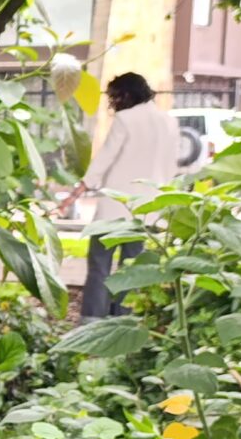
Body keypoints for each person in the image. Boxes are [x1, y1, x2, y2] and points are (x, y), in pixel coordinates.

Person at [74, 70, 184, 319]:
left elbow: (105, 157)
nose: (113, 103)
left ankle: (92, 320)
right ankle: (122, 320)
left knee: (100, 266)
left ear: (127, 94)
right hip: (147, 210)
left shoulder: (125, 119)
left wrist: (83, 185)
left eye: (115, 97)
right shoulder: (169, 122)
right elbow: (171, 166)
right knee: (131, 270)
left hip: (114, 208)